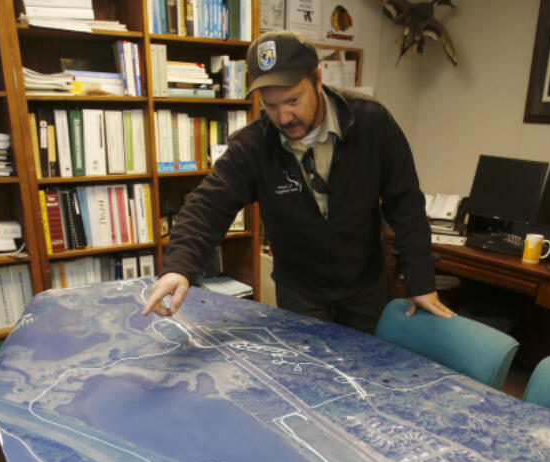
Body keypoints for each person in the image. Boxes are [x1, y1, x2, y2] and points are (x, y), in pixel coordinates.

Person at [142, 30, 452, 331]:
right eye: (271, 105)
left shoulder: (371, 122)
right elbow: (206, 207)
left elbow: (406, 203)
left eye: (293, 100)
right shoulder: (253, 146)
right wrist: (179, 267)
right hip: (301, 295)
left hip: (366, 289)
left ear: (317, 79)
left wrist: (420, 280)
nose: (284, 117)